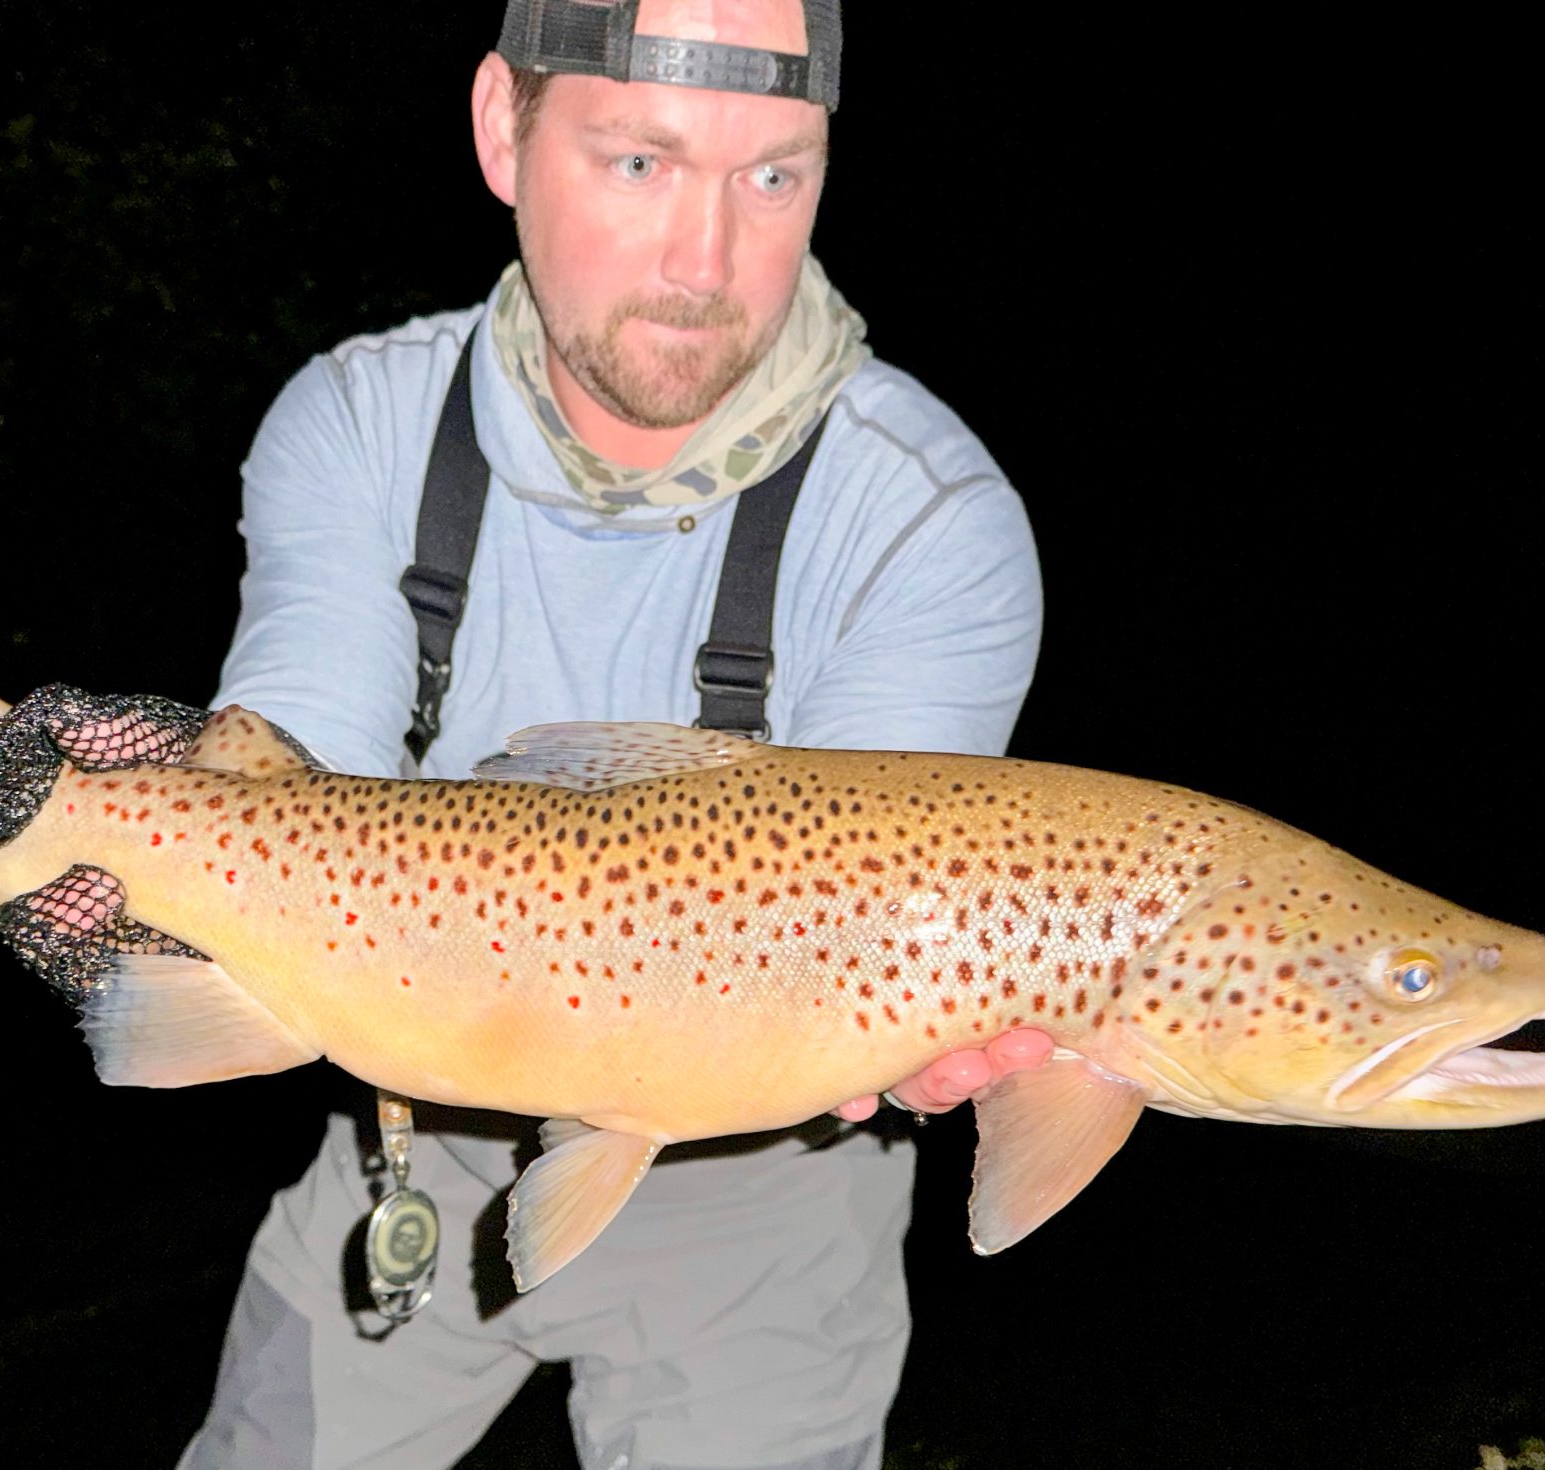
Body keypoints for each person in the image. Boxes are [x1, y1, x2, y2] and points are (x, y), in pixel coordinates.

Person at [179, 4, 1048, 1467]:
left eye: (772, 177)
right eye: (639, 162)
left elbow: (862, 946)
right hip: (404, 1114)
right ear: (501, 135)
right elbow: (293, 762)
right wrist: (135, 837)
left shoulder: (935, 524)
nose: (706, 263)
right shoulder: (355, 421)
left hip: (771, 1195)